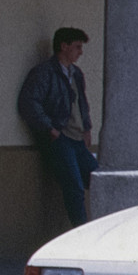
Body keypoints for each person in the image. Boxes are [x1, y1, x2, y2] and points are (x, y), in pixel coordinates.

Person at [17, 26, 99, 226]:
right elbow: (28, 102)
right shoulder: (45, 72)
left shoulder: (76, 73)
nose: (81, 52)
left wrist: (87, 128)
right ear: (64, 46)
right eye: (77, 46)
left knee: (98, 180)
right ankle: (81, 233)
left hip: (77, 138)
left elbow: (82, 103)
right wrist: (50, 129)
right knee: (74, 187)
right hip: (60, 138)